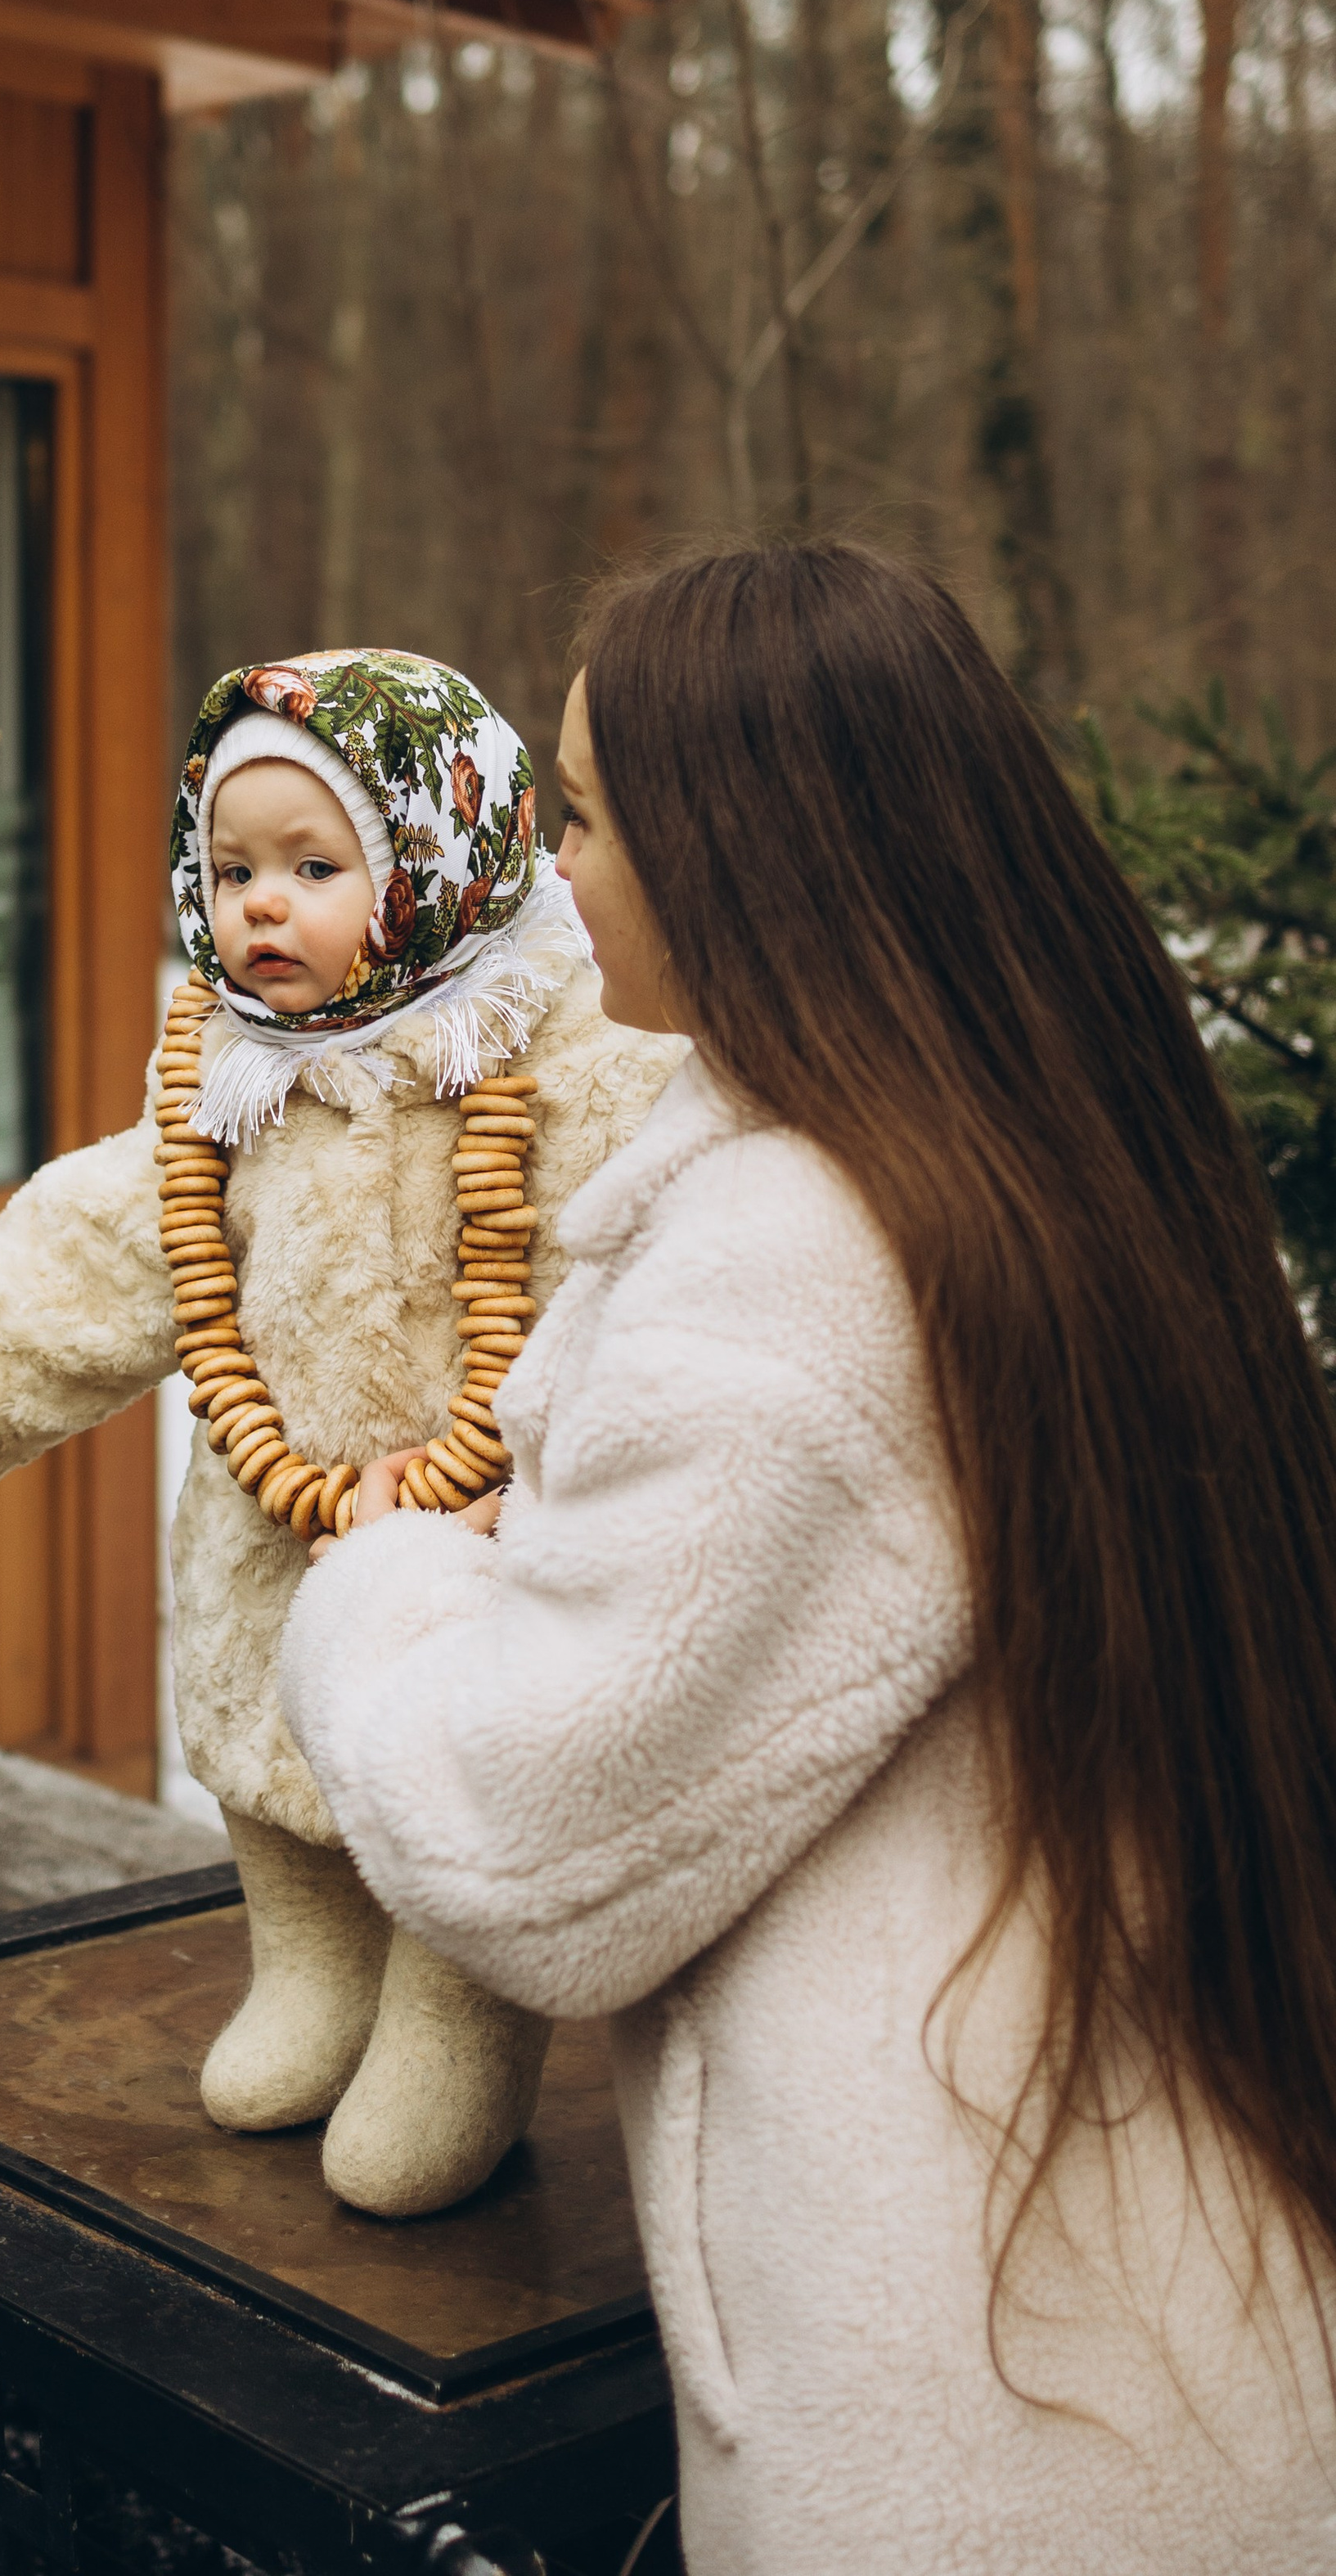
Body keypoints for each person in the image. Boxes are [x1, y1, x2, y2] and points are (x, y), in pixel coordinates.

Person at [278, 546, 1336, 2574]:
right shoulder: (1036, 1136)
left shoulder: (792, 1263)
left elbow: (523, 1839)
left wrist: (390, 1583)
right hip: (1172, 2269)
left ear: (741, 849)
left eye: (588, 814)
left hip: (961, 2388)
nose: (552, 865)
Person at [0, 646, 681, 2213]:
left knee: (452, 1792)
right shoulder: (229, 1080)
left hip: (477, 1544)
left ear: (439, 859)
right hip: (268, 1542)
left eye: (316, 867)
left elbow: (651, 1270)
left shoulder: (574, 1059)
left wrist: (548, 1477)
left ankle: (454, 2029)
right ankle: (313, 1978)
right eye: (233, 868)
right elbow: (100, 1240)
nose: (262, 905)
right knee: (276, 1776)